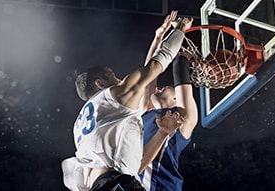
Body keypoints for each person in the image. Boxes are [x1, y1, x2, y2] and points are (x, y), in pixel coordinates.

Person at [61, 11, 193, 191]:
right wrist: (180, 31)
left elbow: (135, 167)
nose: (119, 79)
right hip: (113, 182)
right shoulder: (113, 96)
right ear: (100, 84)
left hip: (113, 182)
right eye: (113, 76)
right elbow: (155, 66)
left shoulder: (84, 123)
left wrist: (162, 133)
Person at [138, 14, 198, 191]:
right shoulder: (146, 111)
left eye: (166, 87)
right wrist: (158, 38)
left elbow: (179, 64)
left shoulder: (183, 119)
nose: (159, 87)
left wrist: (182, 34)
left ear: (176, 99)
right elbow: (149, 72)